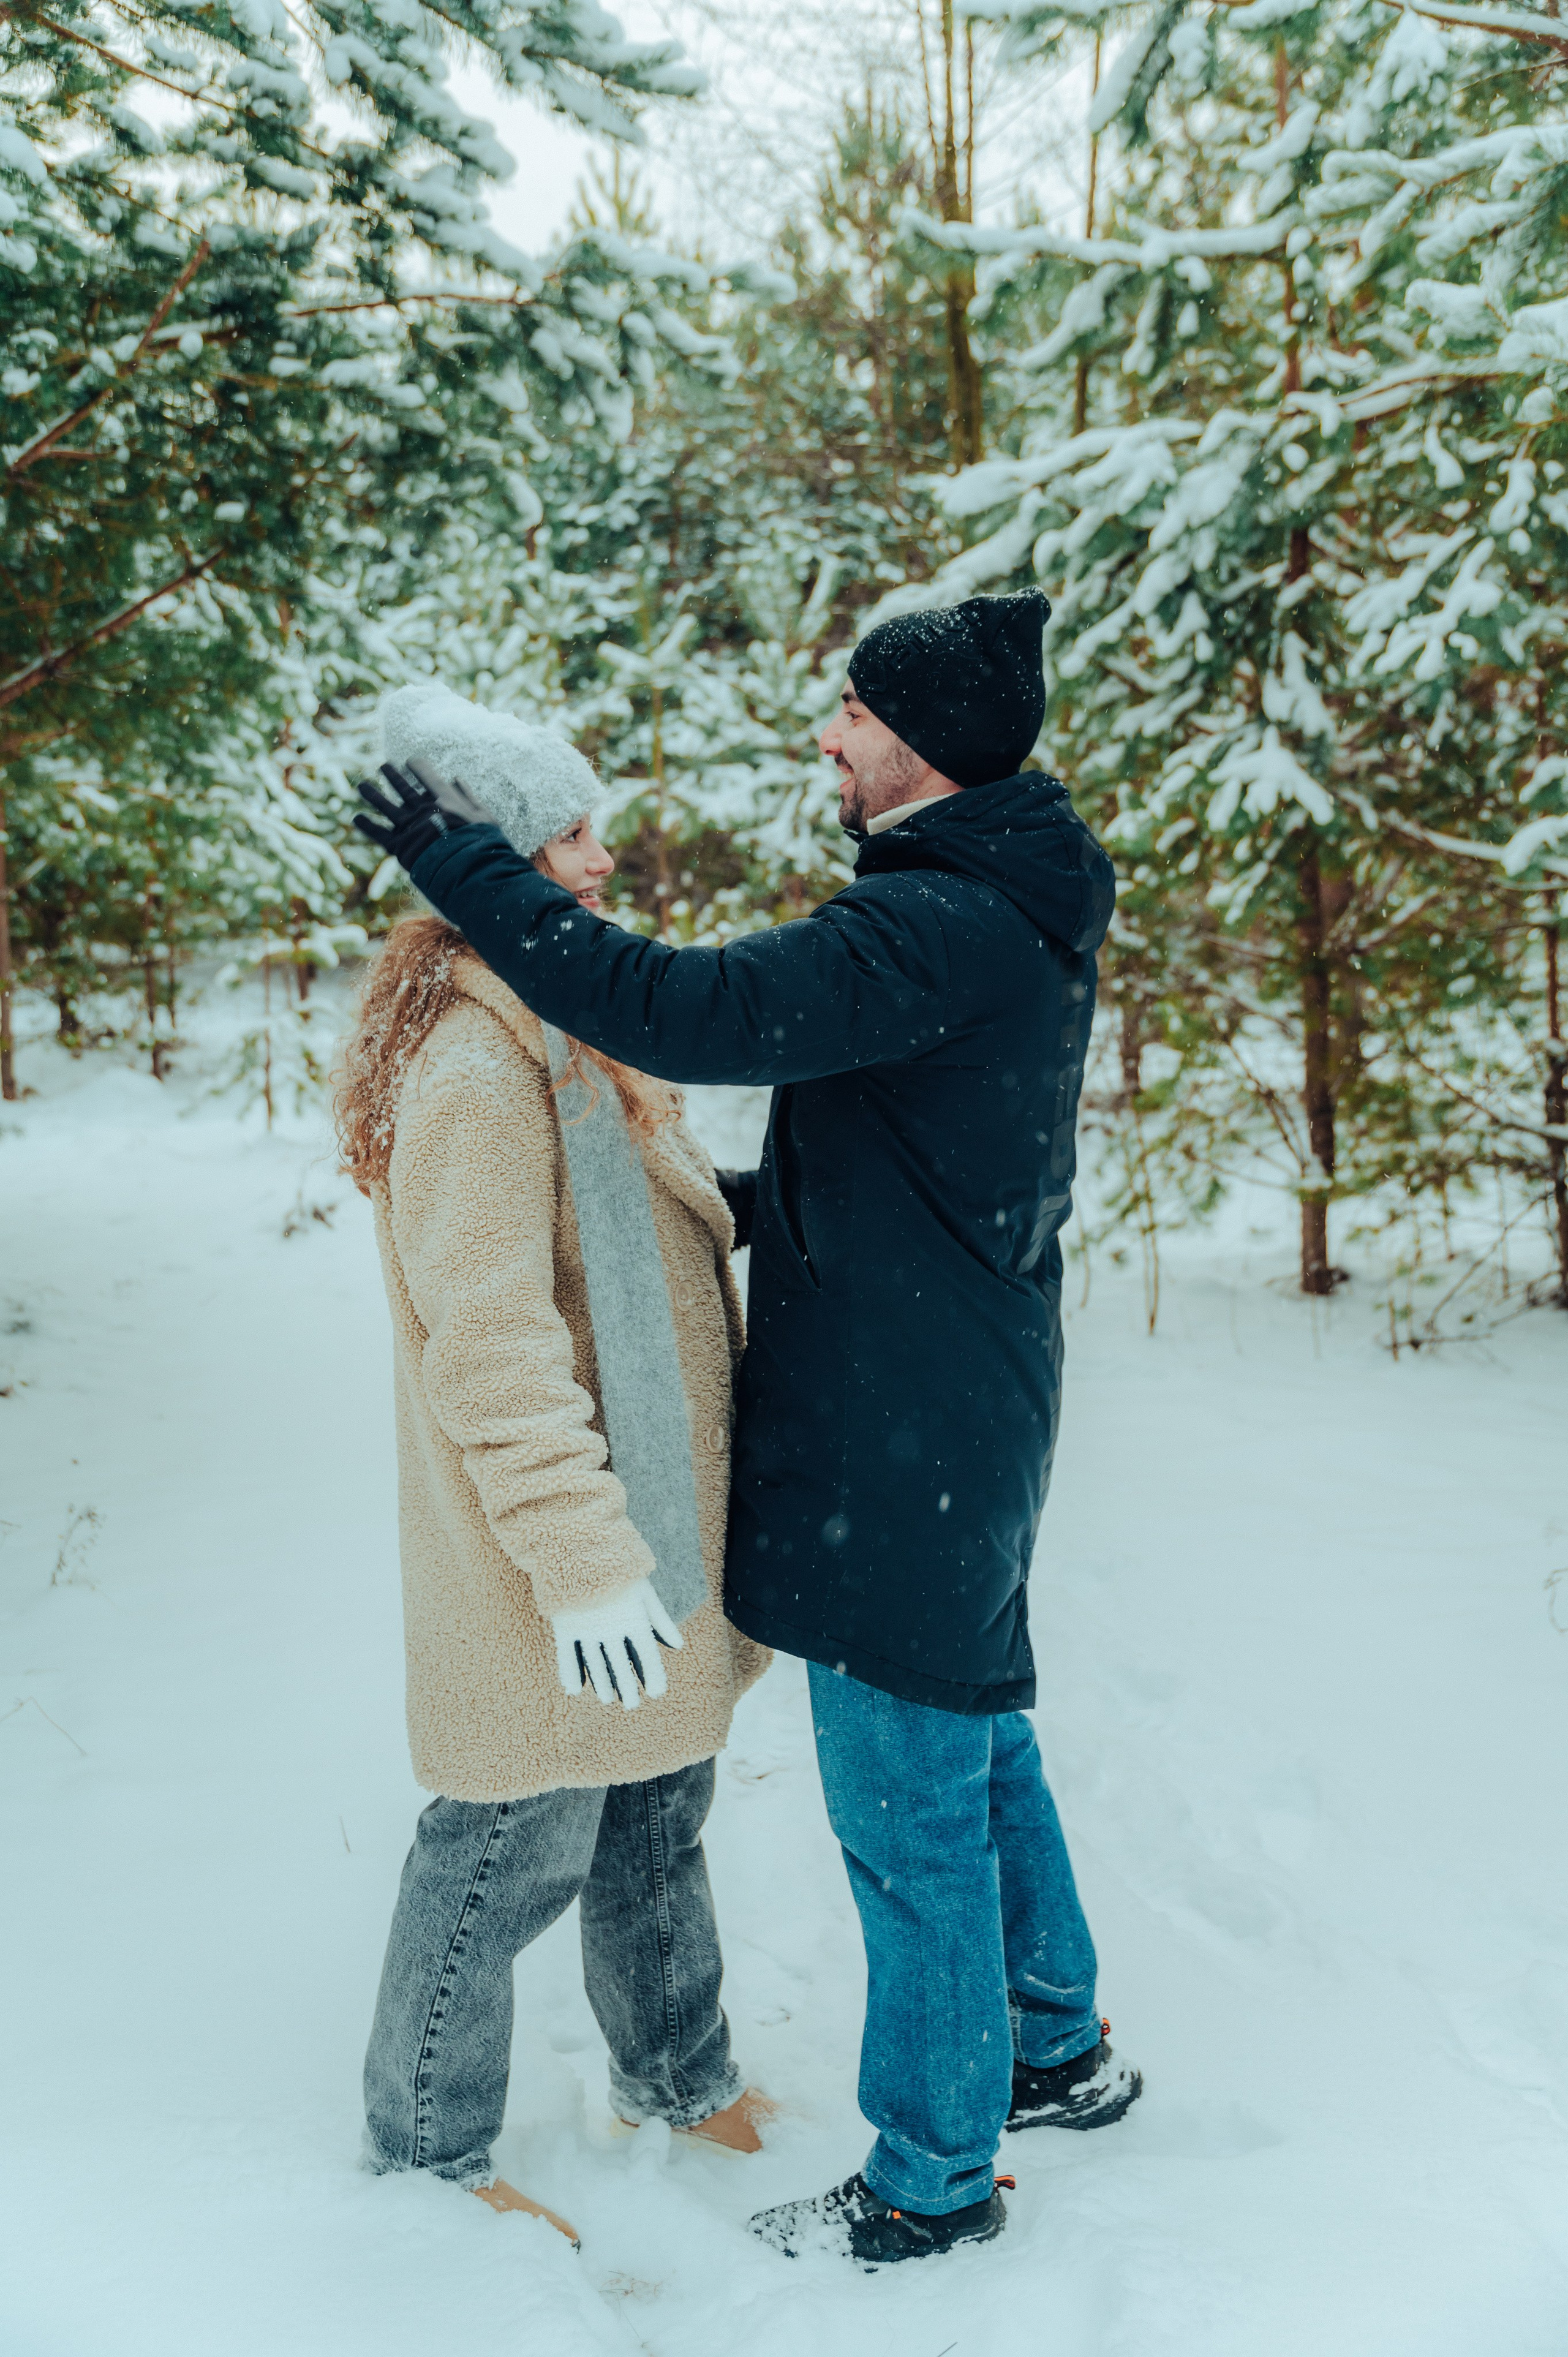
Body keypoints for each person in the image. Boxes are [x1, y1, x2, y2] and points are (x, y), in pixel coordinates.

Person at [355, 594, 1140, 2269]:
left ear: (918, 744)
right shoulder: (999, 888)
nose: (828, 738)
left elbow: (681, 1008)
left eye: (852, 715)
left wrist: (464, 861)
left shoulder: (933, 922)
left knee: (913, 1810)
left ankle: (932, 2179)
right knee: (980, 1734)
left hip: (899, 1436)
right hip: (958, 1402)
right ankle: (1054, 2045)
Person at [338, 685, 771, 2242]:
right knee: (507, 1837)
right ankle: (425, 2149)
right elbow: (491, 1343)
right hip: (564, 1548)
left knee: (657, 1804)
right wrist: (586, 1558)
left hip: (652, 1521)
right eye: (566, 832)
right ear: (499, 856)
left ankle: (678, 2069)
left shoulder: (568, 1018)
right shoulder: (479, 1063)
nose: (599, 859)